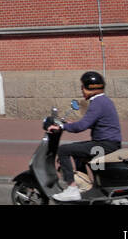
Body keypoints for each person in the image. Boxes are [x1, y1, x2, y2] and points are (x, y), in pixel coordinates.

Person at [49, 71, 122, 202]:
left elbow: (81, 126)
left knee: (63, 150)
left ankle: (72, 189)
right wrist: (72, 124)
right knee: (78, 153)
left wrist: (62, 127)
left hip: (104, 144)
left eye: (82, 86)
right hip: (110, 143)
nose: (81, 90)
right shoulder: (104, 100)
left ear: (89, 88)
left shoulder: (97, 103)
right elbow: (94, 122)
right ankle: (86, 186)